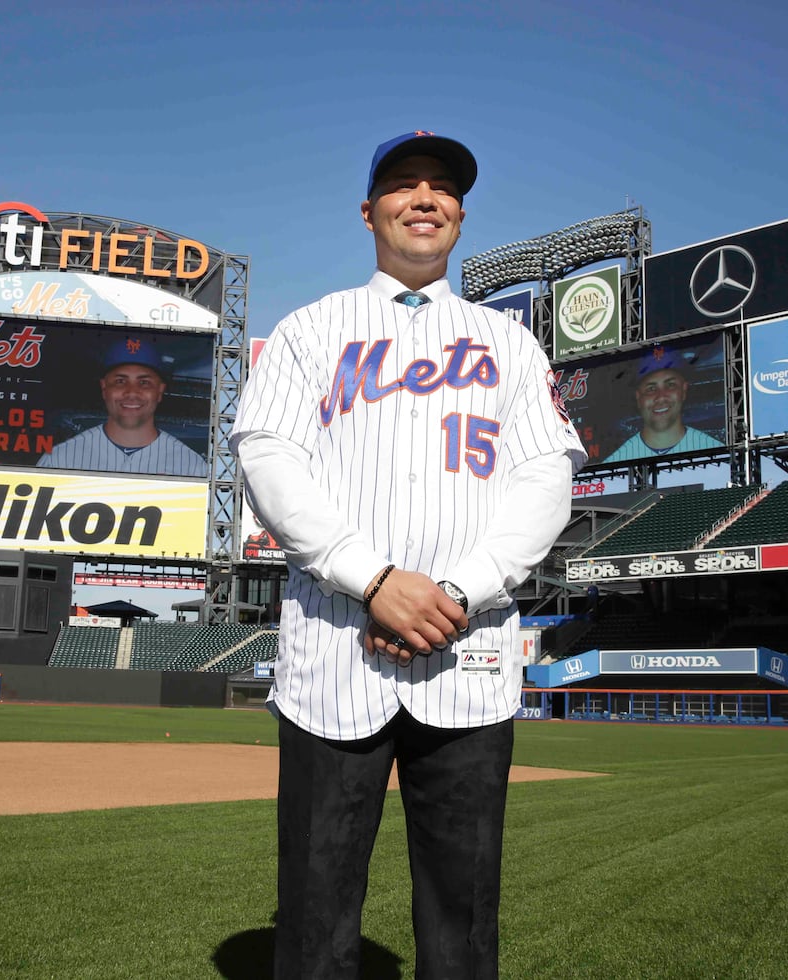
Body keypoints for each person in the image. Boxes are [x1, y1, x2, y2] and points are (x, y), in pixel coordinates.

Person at [231, 130, 586, 979]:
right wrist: (375, 580)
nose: (423, 198)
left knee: (464, 925)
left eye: (441, 188)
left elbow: (545, 479)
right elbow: (267, 460)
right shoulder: (310, 330)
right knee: (314, 920)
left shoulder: (510, 343)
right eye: (402, 184)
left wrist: (453, 592)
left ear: (459, 215)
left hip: (469, 656)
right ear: (369, 211)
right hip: (334, 653)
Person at [36, 337, 208, 476]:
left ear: (160, 390)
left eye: (144, 382)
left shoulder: (192, 466)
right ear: (104, 388)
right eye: (120, 381)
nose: (132, 392)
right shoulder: (59, 459)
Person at [603, 345, 724, 462]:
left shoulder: (718, 452)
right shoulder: (617, 459)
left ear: (684, 390)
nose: (661, 397)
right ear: (638, 397)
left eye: (670, 385)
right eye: (651, 389)